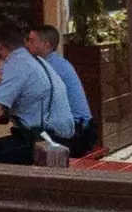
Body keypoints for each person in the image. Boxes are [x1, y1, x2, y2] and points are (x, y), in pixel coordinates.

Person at [0, 20, 78, 164]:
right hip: (58, 136)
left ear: (0, 46)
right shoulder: (33, 60)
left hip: (43, 141)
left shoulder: (16, 64)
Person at [25, 23, 96, 155]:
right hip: (80, 130)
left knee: (24, 148)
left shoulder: (51, 67)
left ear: (46, 45)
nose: (27, 45)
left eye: (31, 41)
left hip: (77, 134)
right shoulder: (53, 63)